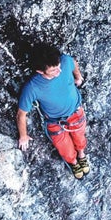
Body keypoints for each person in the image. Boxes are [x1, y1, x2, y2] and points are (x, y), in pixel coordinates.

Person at [17, 43, 90, 180]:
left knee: (80, 138)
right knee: (65, 149)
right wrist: (23, 136)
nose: (59, 72)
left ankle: (81, 154)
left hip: (75, 111)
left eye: (58, 67)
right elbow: (22, 114)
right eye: (53, 71)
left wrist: (78, 77)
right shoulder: (32, 87)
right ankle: (74, 162)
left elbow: (72, 62)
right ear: (40, 71)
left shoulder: (64, 62)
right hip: (55, 122)